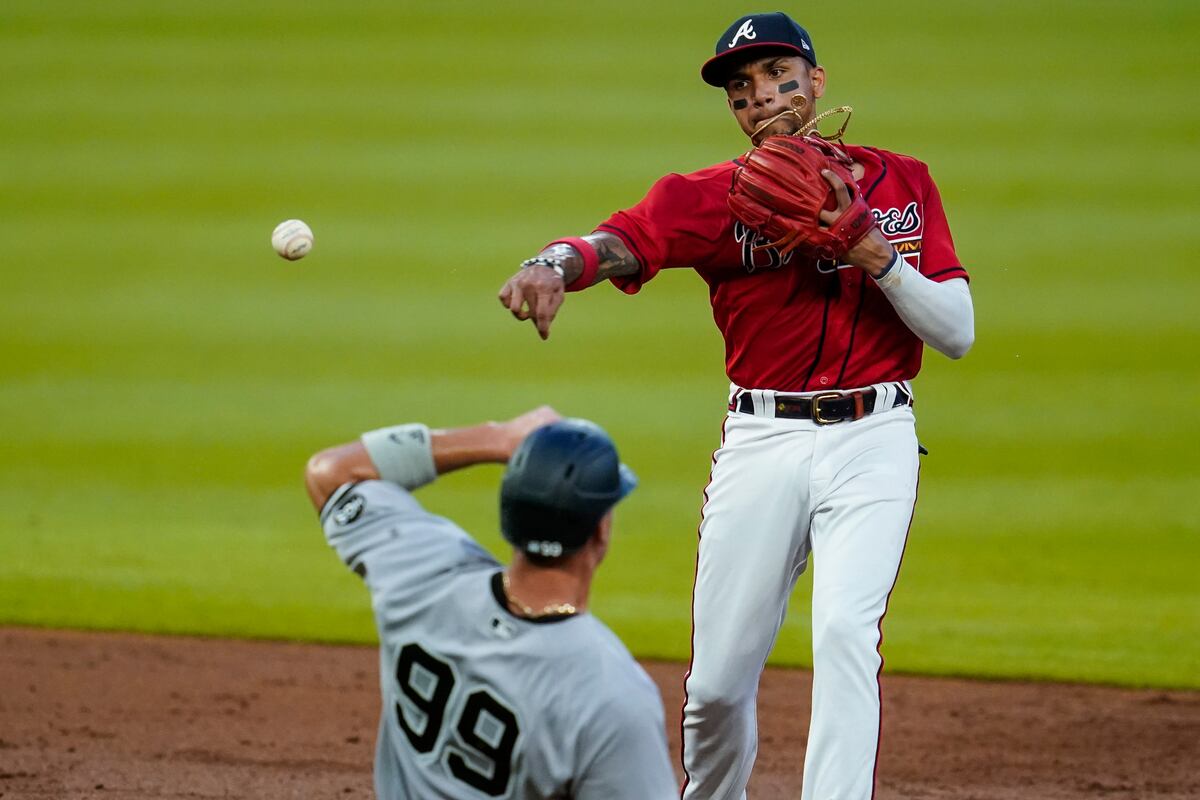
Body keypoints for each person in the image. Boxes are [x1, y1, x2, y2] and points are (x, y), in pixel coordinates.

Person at [497, 11, 974, 800]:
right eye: (742, 88)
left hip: (876, 435)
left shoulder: (902, 184)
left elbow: (956, 332)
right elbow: (619, 241)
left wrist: (877, 255)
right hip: (763, 440)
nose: (761, 97)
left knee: (845, 634)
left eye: (778, 75)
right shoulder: (712, 197)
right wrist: (551, 264)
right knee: (716, 687)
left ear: (817, 81)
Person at [304, 406, 678, 799]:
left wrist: (498, 438)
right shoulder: (611, 693)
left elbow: (331, 472)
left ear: (508, 515)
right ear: (600, 531)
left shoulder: (420, 572)